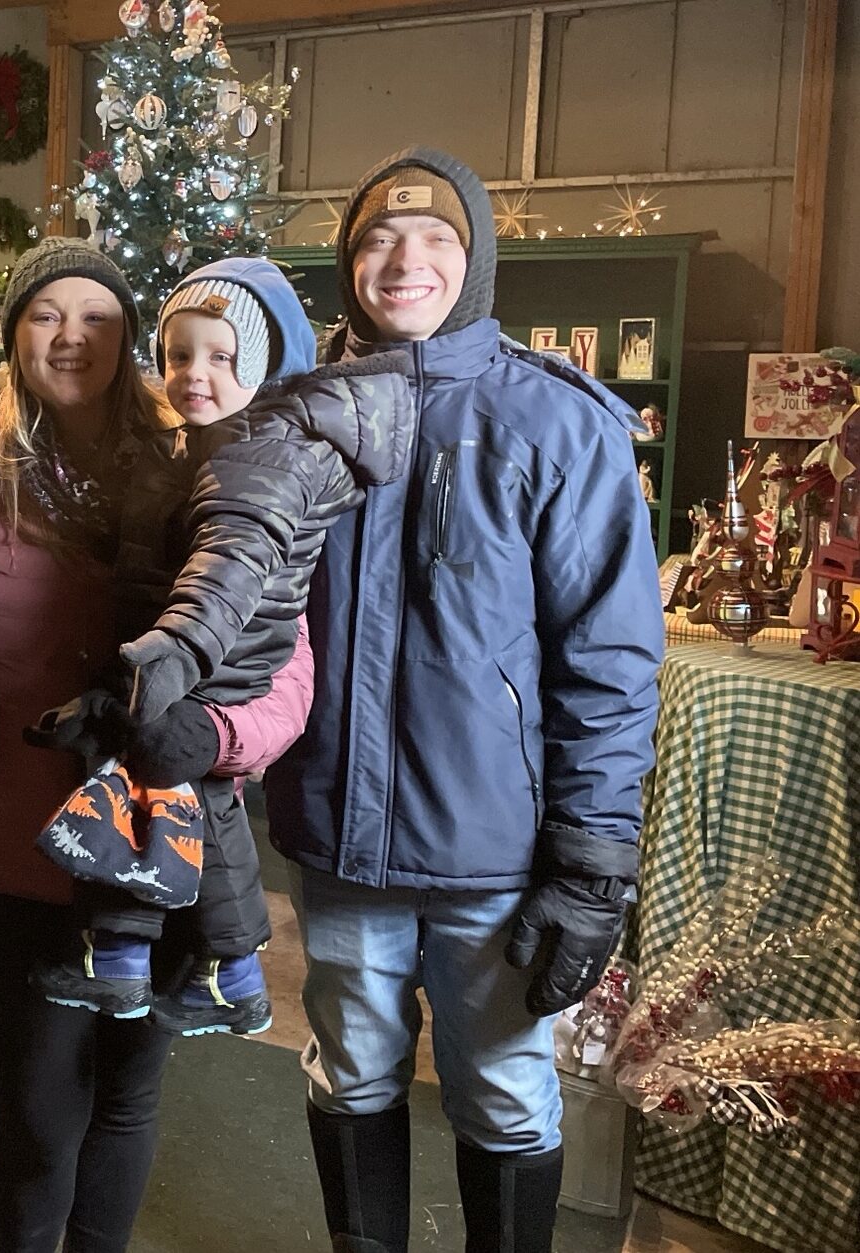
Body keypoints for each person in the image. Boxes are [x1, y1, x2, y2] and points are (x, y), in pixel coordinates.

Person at [263, 147, 665, 1253]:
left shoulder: (556, 423)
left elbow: (609, 658)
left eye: (435, 238)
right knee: (350, 1071)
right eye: (378, 240)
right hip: (338, 840)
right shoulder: (293, 420)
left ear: (475, 258)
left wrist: (591, 858)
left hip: (497, 856)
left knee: (501, 1089)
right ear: (348, 263)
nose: (406, 261)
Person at [0, 236, 316, 1253]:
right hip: (21, 851)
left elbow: (287, 662)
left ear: (132, 341)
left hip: (161, 850)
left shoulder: (194, 459)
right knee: (38, 1121)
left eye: (97, 317)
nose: (71, 337)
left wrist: (216, 734)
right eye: (45, 314)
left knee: (125, 1099)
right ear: (12, 334)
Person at [29, 256, 413, 1038]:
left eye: (222, 357)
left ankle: (182, 966)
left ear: (267, 366)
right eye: (178, 355)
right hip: (197, 651)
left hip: (212, 654)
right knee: (174, 800)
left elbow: (227, 568)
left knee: (163, 793)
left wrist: (173, 652)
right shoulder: (204, 444)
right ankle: (184, 968)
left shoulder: (255, 456)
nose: (194, 374)